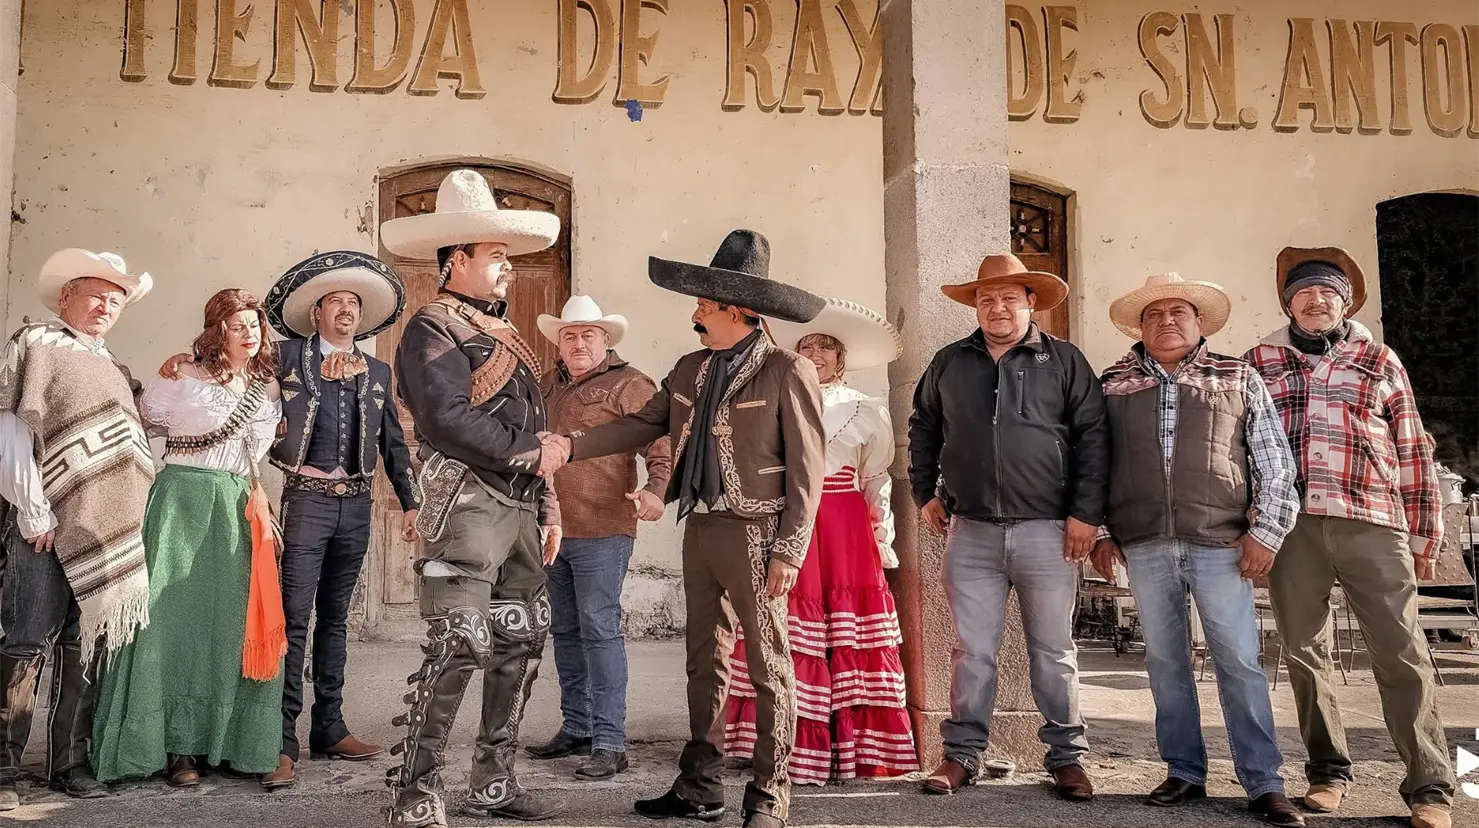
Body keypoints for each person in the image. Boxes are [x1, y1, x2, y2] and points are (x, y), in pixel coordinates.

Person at [542, 229, 826, 828]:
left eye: (704, 303)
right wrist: (571, 444)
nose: (695, 311)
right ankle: (700, 785)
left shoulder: (785, 369)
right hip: (700, 528)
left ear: (734, 309)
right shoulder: (690, 368)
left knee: (770, 663)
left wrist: (789, 549)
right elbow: (639, 426)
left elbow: (808, 471)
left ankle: (770, 794)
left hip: (757, 533)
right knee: (704, 660)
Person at [159, 252, 419, 788]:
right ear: (316, 314)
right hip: (306, 502)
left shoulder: (377, 370)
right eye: (336, 302)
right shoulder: (287, 357)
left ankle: (331, 726)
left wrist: (412, 503)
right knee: (292, 620)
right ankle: (280, 742)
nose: (346, 310)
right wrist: (180, 361)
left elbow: (393, 443)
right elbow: (229, 363)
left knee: (336, 619)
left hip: (357, 506)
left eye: (354, 303)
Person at [1244, 247, 1455, 828]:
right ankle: (1327, 774)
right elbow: (1239, 448)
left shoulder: (1379, 359)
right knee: (1304, 653)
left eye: (1329, 293)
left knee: (1401, 653)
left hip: (1374, 521)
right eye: (1305, 292)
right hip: (1292, 530)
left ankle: (1430, 787)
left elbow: (1413, 448)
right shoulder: (1259, 360)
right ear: (1288, 302)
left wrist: (1424, 535)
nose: (1317, 301)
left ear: (1346, 302)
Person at [382, 168, 566, 826]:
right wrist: (530, 455)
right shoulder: (432, 326)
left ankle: (492, 786)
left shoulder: (499, 331)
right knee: (458, 643)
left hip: (515, 507)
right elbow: (444, 420)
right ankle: (415, 793)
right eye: (495, 258)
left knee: (521, 641)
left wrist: (545, 498)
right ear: (456, 259)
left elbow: (526, 427)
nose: (507, 270)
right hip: (461, 507)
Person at [1090, 273, 1303, 826]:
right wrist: (1098, 530)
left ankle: (1264, 781)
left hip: (1222, 542)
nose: (1166, 321)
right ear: (1139, 326)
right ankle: (1184, 769)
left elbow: (1273, 460)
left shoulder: (1237, 375)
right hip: (1144, 542)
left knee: (1238, 660)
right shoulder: (1113, 382)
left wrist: (1268, 532)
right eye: (1154, 314)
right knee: (1164, 662)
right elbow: (1092, 463)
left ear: (1199, 321)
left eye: (1178, 312)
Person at [907, 253, 1107, 800]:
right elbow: (923, 424)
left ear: (1031, 303)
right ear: (975, 306)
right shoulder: (949, 362)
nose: (996, 307)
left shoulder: (1065, 362)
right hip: (970, 531)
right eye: (986, 298)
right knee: (972, 651)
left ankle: (1067, 758)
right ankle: (962, 756)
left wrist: (1087, 516)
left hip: (1049, 530)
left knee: (1054, 651)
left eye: (1008, 298)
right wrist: (924, 491)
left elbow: (1093, 438)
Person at [92, 288, 285, 789]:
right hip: (180, 503)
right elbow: (141, 426)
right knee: (172, 624)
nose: (249, 334)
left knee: (231, 623)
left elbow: (258, 452)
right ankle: (177, 749)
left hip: (238, 506)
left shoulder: (266, 387)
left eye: (255, 326)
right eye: (238, 325)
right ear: (217, 330)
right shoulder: (178, 377)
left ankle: (230, 743)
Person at [721, 297, 916, 785]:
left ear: (841, 356)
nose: (816, 353)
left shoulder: (866, 409)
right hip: (791, 521)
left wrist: (881, 536)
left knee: (845, 630)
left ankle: (854, 749)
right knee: (784, 622)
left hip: (845, 526)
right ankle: (778, 743)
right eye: (807, 344)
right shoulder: (776, 397)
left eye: (826, 346)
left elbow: (876, 478)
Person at [0, 249, 156, 808]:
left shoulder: (114, 366)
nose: (105, 306)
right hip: (43, 524)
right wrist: (33, 508)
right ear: (65, 295)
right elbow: (13, 429)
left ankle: (69, 764)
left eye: (115, 300)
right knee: (26, 641)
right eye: (94, 294)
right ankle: (3, 769)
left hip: (102, 530)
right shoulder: (37, 345)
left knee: (82, 639)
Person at [525, 295, 671, 781]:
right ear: (559, 343)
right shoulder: (545, 385)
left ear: (606, 340)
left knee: (599, 629)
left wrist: (655, 490)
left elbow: (662, 442)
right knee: (565, 629)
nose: (579, 342)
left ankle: (610, 741)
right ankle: (578, 727)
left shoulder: (631, 385)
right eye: (570, 335)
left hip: (604, 526)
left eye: (589, 334)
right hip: (551, 529)